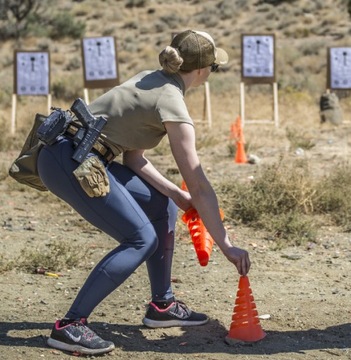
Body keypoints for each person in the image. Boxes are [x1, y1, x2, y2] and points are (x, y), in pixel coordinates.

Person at [37, 29, 251, 356]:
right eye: (213, 67)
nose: (211, 72)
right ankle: (70, 325)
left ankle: (161, 305)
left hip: (75, 155)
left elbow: (133, 158)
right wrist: (226, 245)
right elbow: (197, 182)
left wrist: (176, 196)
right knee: (141, 238)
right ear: (200, 71)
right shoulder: (171, 101)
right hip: (72, 161)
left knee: (161, 205)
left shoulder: (152, 79)